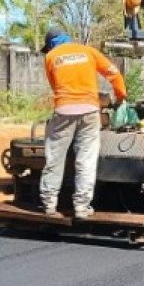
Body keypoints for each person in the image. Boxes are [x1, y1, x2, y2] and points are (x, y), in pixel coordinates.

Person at [39, 28, 127, 219]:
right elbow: (114, 73)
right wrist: (120, 97)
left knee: (54, 157)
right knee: (86, 160)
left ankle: (49, 205)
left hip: (64, 111)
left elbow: (55, 86)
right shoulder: (88, 52)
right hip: (90, 111)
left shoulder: (51, 57)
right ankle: (81, 207)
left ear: (52, 44)